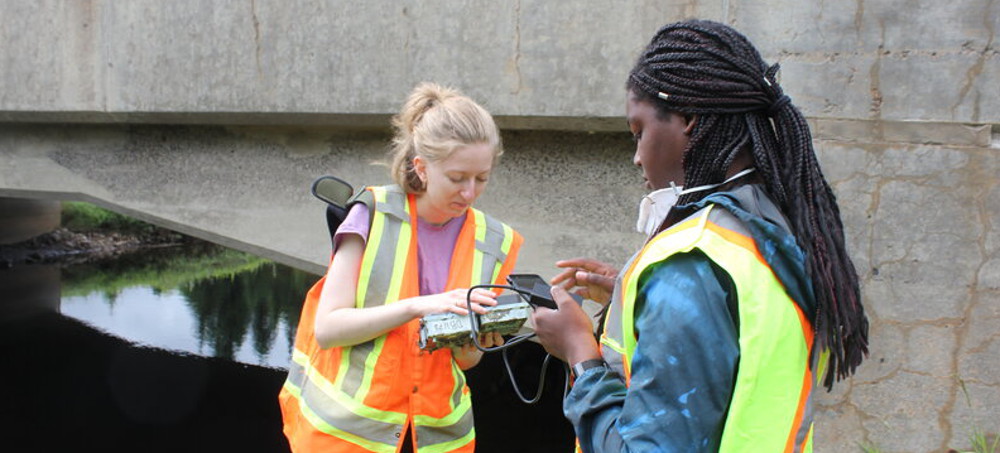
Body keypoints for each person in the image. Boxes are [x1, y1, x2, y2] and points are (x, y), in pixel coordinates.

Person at [531, 19, 869, 452]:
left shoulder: (690, 264)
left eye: (639, 133)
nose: (637, 158)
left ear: (688, 119)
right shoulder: (770, 230)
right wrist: (634, 299)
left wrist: (579, 351)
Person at [279, 82, 523, 453]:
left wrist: (477, 342)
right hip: (345, 437)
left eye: (482, 178)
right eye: (457, 178)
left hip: (437, 440)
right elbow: (328, 329)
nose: (470, 192)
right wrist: (418, 306)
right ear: (422, 168)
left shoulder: (495, 240)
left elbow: (465, 362)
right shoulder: (371, 214)